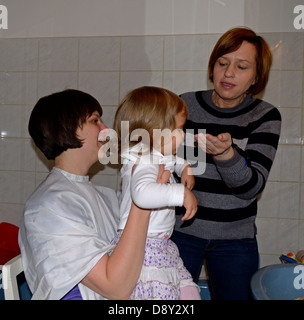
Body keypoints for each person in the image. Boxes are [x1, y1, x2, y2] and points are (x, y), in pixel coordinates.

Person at [18, 89, 168, 300]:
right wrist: (144, 202)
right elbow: (115, 288)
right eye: (95, 120)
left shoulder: (103, 195)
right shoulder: (48, 207)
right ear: (66, 128)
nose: (105, 129)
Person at [171, 27, 282, 300]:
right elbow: (165, 162)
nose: (229, 73)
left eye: (242, 66)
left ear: (256, 77)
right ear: (212, 67)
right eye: (222, 63)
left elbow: (250, 187)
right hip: (181, 232)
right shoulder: (184, 105)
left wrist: (226, 156)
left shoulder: (265, 115)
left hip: (235, 239)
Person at [111, 86, 201, 300]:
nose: (182, 135)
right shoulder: (144, 161)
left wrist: (184, 168)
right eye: (178, 130)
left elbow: (172, 161)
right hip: (144, 249)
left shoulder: (153, 155)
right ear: (154, 132)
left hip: (158, 245)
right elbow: (142, 194)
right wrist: (180, 193)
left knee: (186, 290)